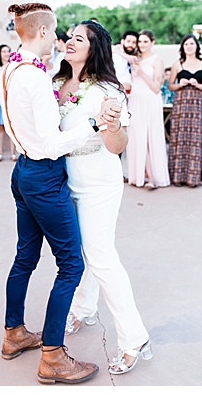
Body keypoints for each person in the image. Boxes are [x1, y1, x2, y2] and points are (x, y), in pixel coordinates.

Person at [0, 3, 118, 385]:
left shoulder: (13, 68)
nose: (61, 39)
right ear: (43, 33)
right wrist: (92, 124)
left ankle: (13, 333)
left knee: (25, 257)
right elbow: (52, 144)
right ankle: (52, 355)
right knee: (71, 265)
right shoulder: (34, 78)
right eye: (56, 33)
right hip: (45, 175)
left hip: (22, 171)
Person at [56, 21, 152, 375]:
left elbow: (117, 146)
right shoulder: (55, 82)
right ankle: (84, 308)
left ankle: (133, 337)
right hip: (64, 179)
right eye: (68, 37)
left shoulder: (109, 90)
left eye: (78, 38)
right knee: (81, 250)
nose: (69, 42)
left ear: (93, 48)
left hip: (99, 181)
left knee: (100, 256)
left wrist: (112, 127)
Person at [125, 29, 170, 189]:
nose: (142, 44)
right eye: (140, 41)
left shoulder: (157, 60)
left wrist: (142, 73)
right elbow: (115, 48)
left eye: (145, 41)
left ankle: (152, 177)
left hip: (150, 101)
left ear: (152, 42)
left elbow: (157, 88)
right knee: (137, 137)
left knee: (150, 138)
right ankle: (138, 174)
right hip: (135, 101)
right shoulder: (134, 59)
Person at [166, 34, 202, 187]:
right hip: (181, 103)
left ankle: (194, 178)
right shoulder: (177, 64)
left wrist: (197, 84)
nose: (189, 46)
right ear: (182, 47)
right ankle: (178, 177)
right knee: (180, 137)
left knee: (196, 138)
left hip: (197, 103)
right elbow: (170, 86)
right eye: (186, 44)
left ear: (197, 46)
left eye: (192, 44)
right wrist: (180, 84)